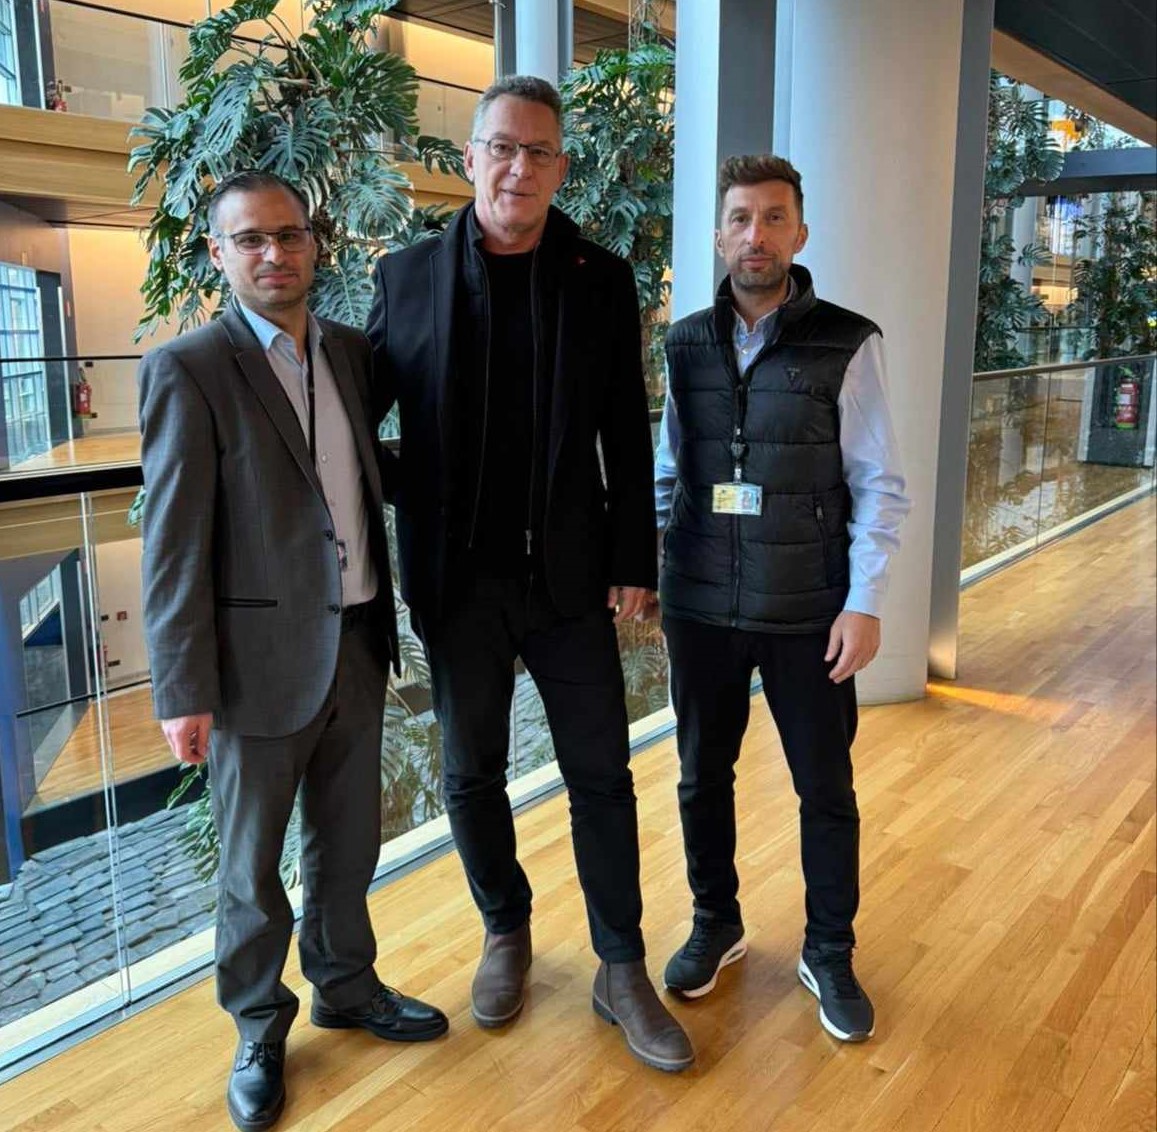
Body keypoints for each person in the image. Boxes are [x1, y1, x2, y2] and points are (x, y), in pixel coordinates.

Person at [366, 75, 693, 1073]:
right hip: (457, 579)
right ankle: (504, 928)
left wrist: (634, 559)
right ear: (470, 158)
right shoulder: (405, 277)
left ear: (559, 167)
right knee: (470, 770)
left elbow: (625, 431)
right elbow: (353, 417)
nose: (518, 167)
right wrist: (406, 487)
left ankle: (619, 964)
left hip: (568, 577)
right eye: (501, 148)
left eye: (537, 151)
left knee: (600, 773)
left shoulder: (600, 276)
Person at [139, 171, 448, 1132]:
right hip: (253, 665)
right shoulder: (189, 367)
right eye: (251, 240)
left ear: (315, 243)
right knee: (251, 866)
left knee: (348, 844)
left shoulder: (350, 352)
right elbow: (174, 541)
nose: (274, 254)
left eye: (289, 235)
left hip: (356, 639)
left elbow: (359, 472)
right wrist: (181, 688)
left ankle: (346, 986)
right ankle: (258, 1024)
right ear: (218, 254)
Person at [655, 154, 910, 1043]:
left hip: (809, 609)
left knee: (824, 788)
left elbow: (878, 482)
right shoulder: (686, 343)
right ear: (718, 235)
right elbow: (668, 469)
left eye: (772, 218)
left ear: (799, 233)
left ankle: (829, 949)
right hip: (700, 606)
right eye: (739, 218)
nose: (754, 235)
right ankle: (714, 923)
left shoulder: (847, 341)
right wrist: (656, 568)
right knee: (700, 776)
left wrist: (864, 601)